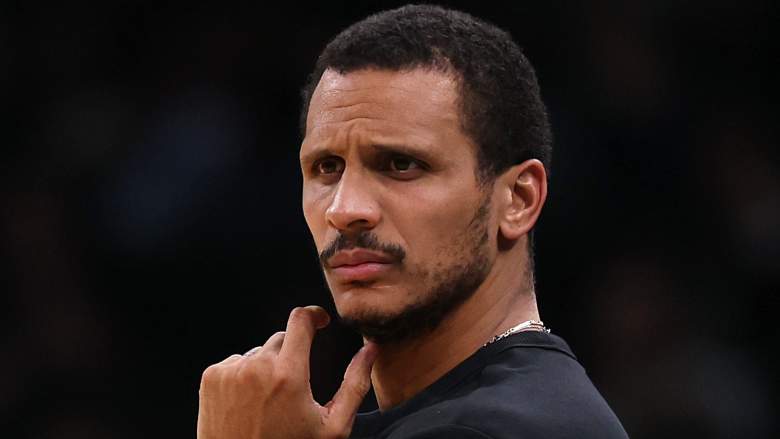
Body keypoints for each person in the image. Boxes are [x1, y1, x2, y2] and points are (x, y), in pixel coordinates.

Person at [196, 5, 628, 439]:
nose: (344, 209)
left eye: (401, 164)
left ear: (518, 198)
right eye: (327, 167)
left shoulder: (496, 429)